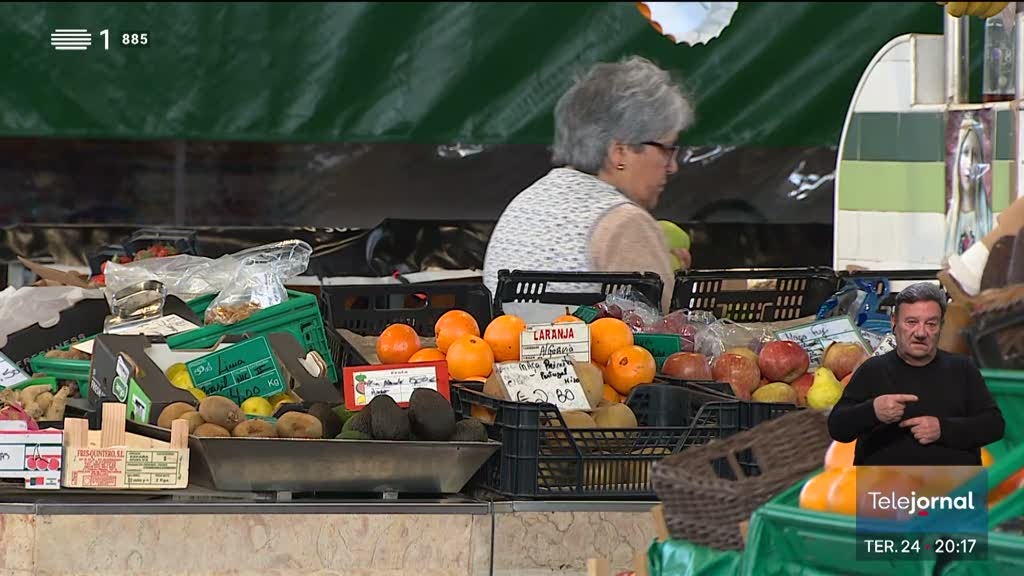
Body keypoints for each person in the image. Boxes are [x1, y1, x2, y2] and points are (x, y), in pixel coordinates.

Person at [482, 56, 694, 312]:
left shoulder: (524, 204)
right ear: (619, 152)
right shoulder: (626, 223)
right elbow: (666, 333)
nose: (673, 166)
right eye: (666, 149)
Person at [828, 282, 1004, 466]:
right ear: (894, 323)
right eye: (911, 322)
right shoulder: (873, 370)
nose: (921, 332)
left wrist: (943, 429)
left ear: (941, 327)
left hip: (953, 487)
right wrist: (873, 411)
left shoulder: (963, 368)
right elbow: (838, 428)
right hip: (885, 488)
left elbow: (994, 425)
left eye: (931, 324)